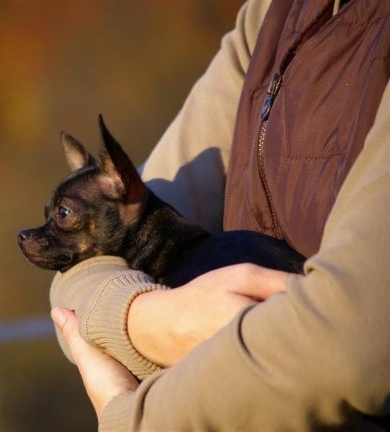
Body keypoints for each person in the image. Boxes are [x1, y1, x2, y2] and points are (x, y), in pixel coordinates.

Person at [49, 0, 390, 430]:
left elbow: (351, 346)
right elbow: (81, 274)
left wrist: (132, 417)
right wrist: (154, 320)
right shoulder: (268, 19)